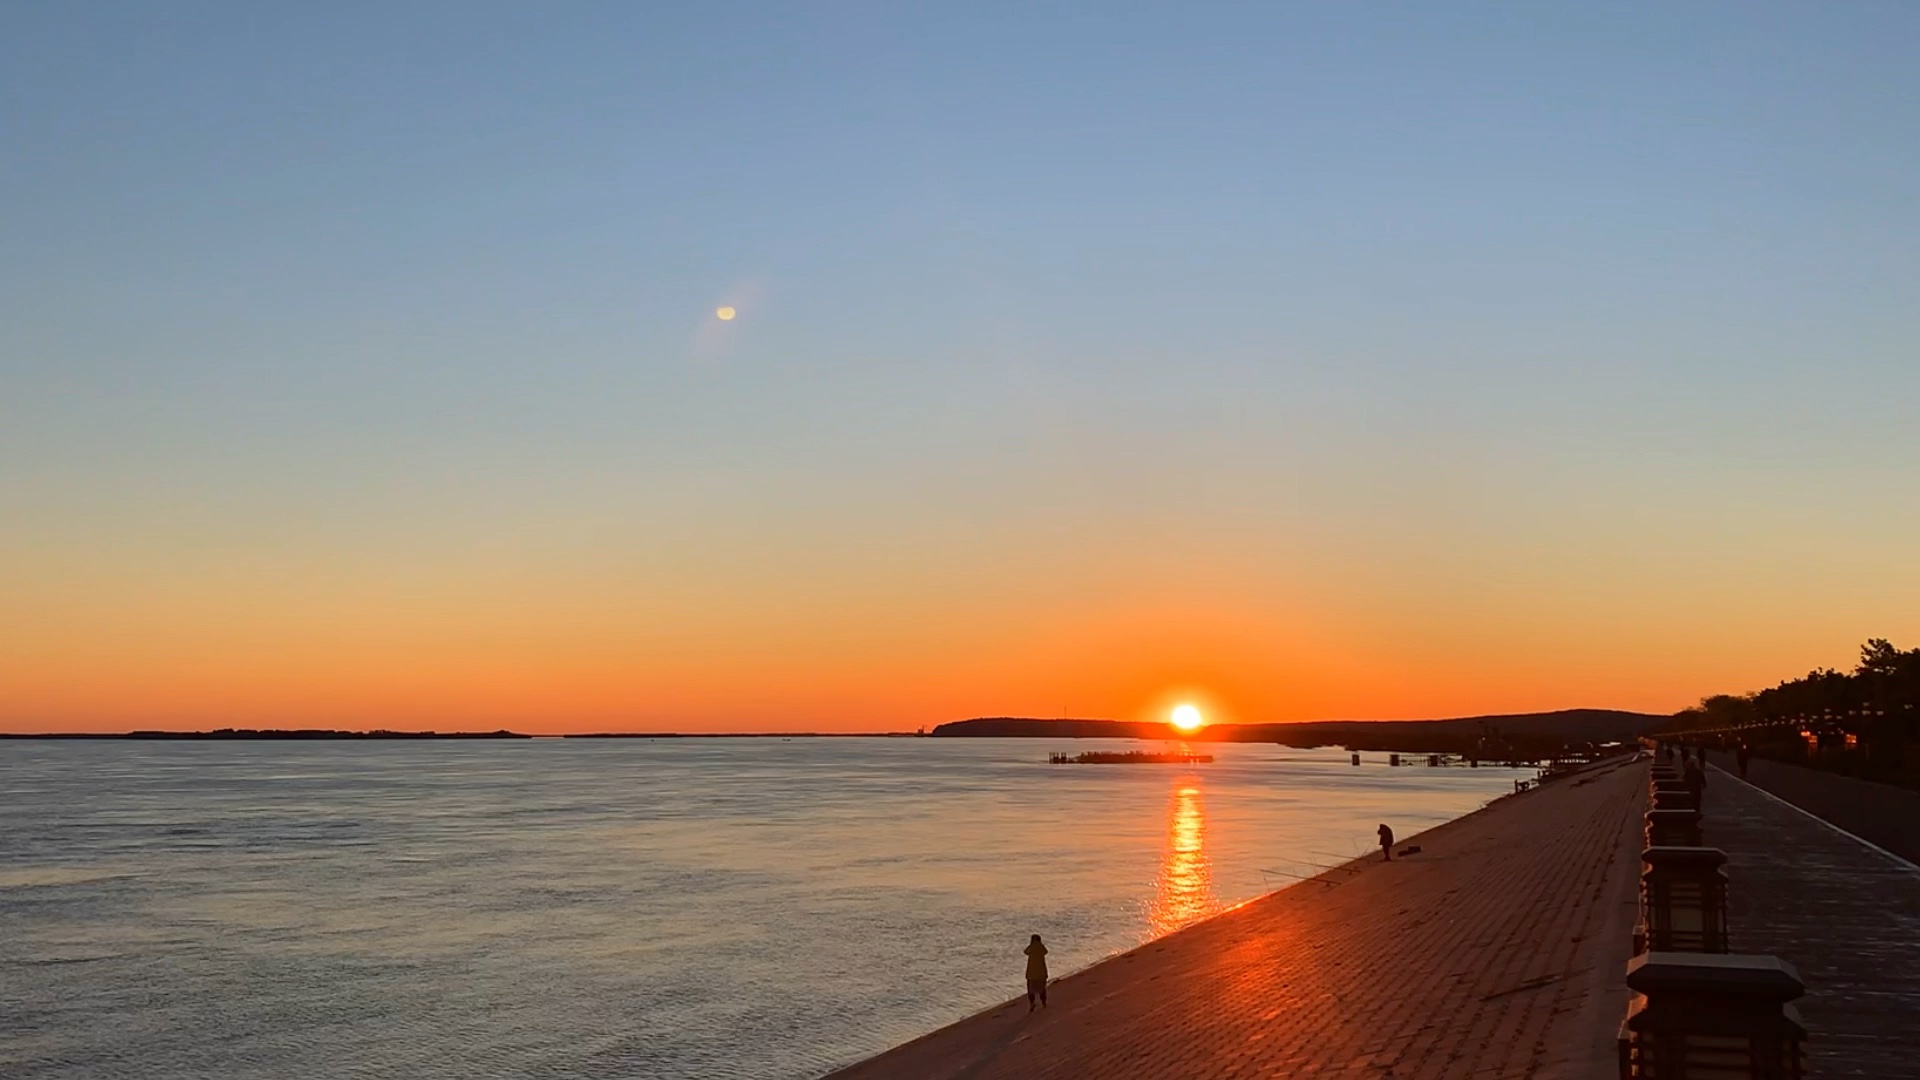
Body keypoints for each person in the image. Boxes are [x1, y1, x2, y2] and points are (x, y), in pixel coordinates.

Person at [1024, 934, 1048, 1011]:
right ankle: (1043, 1002)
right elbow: (1045, 952)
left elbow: (1026, 951)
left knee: (1031, 990)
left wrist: (1031, 945)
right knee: (1042, 989)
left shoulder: (1031, 948)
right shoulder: (1041, 947)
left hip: (1031, 973)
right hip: (1041, 972)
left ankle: (1032, 1004)